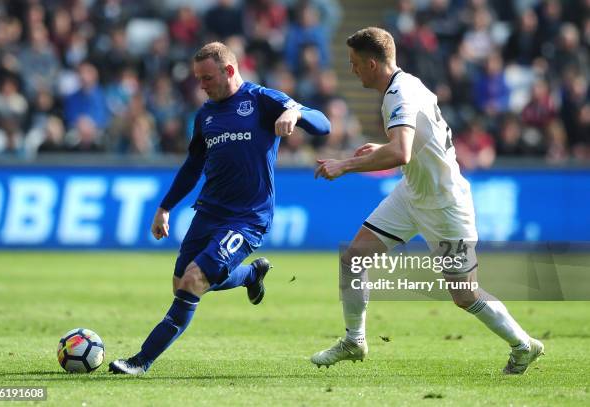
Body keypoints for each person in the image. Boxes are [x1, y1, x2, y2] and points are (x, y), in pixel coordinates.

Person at [311, 27, 543, 375]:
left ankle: (523, 345)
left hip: (445, 207)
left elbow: (402, 152)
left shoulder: (399, 94)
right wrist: (381, 148)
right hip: (412, 194)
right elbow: (413, 144)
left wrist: (345, 165)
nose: (353, 70)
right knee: (354, 260)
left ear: (372, 63)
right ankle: (354, 340)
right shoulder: (405, 84)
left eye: (355, 63)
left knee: (465, 296)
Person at [109, 42, 330, 375]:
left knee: (194, 281)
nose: (201, 85)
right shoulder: (206, 115)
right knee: (182, 282)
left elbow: (323, 123)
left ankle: (141, 361)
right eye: (198, 78)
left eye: (207, 77)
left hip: (247, 218)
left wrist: (294, 112)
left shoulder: (263, 100)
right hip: (209, 212)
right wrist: (165, 208)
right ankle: (250, 275)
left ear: (229, 70)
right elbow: (192, 166)